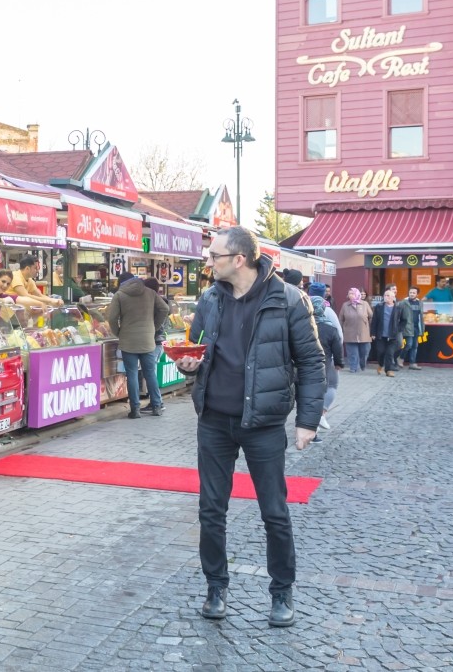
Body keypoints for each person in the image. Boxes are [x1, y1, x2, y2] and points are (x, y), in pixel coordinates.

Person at [174, 226, 323, 629]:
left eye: (214, 256)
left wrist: (307, 421)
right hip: (214, 420)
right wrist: (188, 365)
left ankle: (281, 593)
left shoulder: (289, 300)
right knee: (211, 510)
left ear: (239, 259)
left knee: (274, 512)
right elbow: (196, 350)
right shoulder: (209, 299)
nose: (207, 262)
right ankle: (216, 587)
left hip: (263, 423)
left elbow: (311, 362)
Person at [108, 274, 170, 417]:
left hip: (128, 339)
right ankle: (156, 406)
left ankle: (135, 409)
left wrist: (118, 332)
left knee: (132, 374)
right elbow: (165, 309)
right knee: (150, 373)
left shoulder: (119, 295)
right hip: (148, 339)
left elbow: (112, 317)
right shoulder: (150, 293)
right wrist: (154, 326)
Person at [310, 296, 346, 436]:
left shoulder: (304, 325)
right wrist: (339, 363)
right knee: (331, 386)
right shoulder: (331, 328)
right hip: (325, 363)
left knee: (307, 392)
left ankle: (309, 420)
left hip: (306, 364)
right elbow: (337, 349)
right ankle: (321, 414)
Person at [370, 288, 403, 376]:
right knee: (381, 351)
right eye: (385, 295)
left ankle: (388, 370)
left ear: (393, 297)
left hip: (393, 335)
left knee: (390, 353)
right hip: (381, 334)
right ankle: (381, 364)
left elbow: (404, 320)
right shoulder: (379, 307)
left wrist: (398, 329)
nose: (386, 297)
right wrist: (373, 333)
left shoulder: (398, 308)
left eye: (388, 295)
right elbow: (374, 321)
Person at [339, 287, 372, 372]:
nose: (351, 295)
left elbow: (371, 317)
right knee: (352, 353)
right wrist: (341, 330)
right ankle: (353, 367)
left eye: (353, 293)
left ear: (357, 294)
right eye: (350, 293)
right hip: (349, 333)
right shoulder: (345, 305)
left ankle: (362, 364)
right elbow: (341, 319)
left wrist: (371, 329)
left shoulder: (365, 304)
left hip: (364, 333)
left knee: (364, 352)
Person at [396, 287, 425, 370]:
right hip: (407, 327)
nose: (412, 294)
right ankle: (400, 358)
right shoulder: (403, 303)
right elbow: (398, 313)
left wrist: (422, 327)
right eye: (410, 292)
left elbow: (421, 316)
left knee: (415, 346)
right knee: (408, 344)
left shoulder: (420, 303)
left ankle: (412, 363)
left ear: (417, 294)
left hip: (416, 327)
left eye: (414, 293)